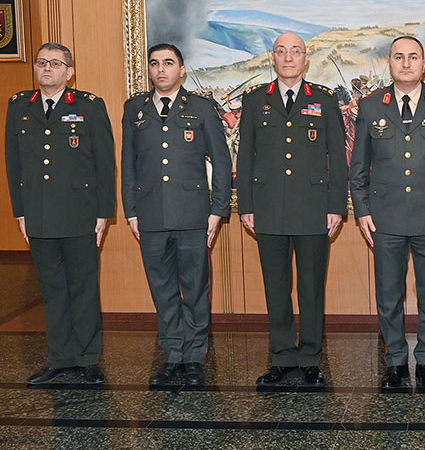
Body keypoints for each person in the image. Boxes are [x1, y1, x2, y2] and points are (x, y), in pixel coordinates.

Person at [349, 35, 425, 392]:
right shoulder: (371, 106)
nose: (405, 63)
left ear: (423, 64)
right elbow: (358, 167)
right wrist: (362, 210)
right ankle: (396, 362)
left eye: (412, 57)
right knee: (388, 293)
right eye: (399, 57)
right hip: (384, 218)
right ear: (390, 62)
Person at [236, 32, 348, 387]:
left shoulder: (325, 100)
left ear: (306, 58)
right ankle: (283, 358)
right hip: (268, 209)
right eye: (281, 52)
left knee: (312, 287)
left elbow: (338, 159)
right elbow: (246, 155)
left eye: (295, 51)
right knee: (276, 286)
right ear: (273, 57)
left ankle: (311, 359)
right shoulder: (256, 100)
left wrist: (336, 206)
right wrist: (246, 206)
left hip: (313, 208)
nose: (288, 58)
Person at [121, 43, 232, 387]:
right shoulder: (134, 109)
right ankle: (172, 355)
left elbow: (222, 160)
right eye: (155, 64)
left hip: (193, 217)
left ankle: (194, 356)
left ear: (181, 69)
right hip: (151, 215)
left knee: (195, 288)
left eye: (168, 63)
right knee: (163, 289)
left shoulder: (200, 108)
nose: (161, 70)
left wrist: (217, 210)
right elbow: (129, 164)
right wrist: (131, 212)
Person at [5, 43, 115, 385]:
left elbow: (104, 164)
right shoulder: (20, 106)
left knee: (83, 288)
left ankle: (87, 359)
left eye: (55, 63)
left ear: (70, 71)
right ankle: (59, 357)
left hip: (81, 214)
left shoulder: (88, 106)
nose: (47, 69)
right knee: (51, 290)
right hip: (38, 215)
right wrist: (20, 213)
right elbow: (13, 164)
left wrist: (103, 213)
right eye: (41, 63)